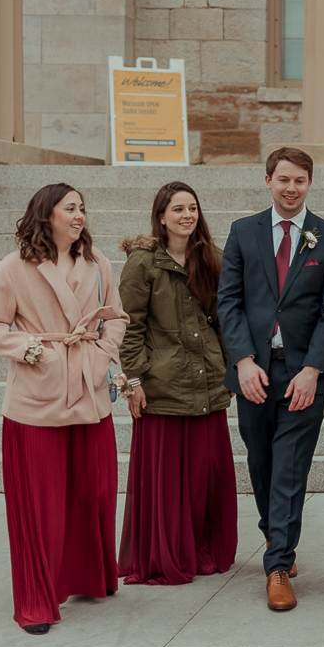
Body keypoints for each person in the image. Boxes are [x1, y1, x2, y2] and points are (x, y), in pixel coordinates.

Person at [0, 183, 127, 633]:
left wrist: (101, 356)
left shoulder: (99, 264)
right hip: (36, 399)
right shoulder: (13, 268)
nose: (79, 216)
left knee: (93, 493)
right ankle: (36, 602)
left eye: (82, 208)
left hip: (90, 390)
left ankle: (89, 576)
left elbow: (115, 317)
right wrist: (31, 350)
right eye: (70, 208)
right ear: (46, 215)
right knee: (41, 506)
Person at [217, 147, 324, 612]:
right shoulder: (242, 232)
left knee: (290, 468)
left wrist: (313, 368)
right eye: (284, 180)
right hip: (254, 370)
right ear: (268, 181)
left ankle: (277, 565)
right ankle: (277, 534)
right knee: (261, 461)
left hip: (301, 374)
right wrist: (243, 361)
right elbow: (228, 302)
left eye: (300, 181)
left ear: (310, 184)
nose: (291, 188)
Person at [116, 181, 237, 586]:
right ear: (162, 216)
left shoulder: (213, 259)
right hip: (162, 386)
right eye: (178, 209)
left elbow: (224, 322)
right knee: (166, 483)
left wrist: (232, 369)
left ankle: (202, 549)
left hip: (208, 385)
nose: (187, 216)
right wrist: (133, 380)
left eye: (192, 208)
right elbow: (128, 327)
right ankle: (165, 553)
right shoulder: (143, 262)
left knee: (205, 476)